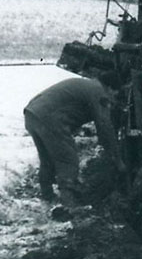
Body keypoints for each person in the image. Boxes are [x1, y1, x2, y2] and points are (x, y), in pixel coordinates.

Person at [23, 76, 125, 206]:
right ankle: (69, 205)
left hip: (32, 114)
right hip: (49, 119)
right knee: (68, 161)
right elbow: (104, 124)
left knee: (47, 159)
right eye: (115, 95)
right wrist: (116, 158)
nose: (113, 100)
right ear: (110, 88)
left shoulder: (87, 85)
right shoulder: (99, 91)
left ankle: (47, 197)